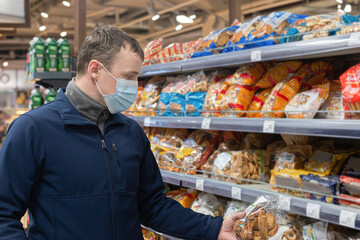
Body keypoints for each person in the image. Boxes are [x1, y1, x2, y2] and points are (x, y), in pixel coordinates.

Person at [0, 26, 244, 240]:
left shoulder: (130, 132)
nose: (134, 87)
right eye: (129, 77)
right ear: (95, 69)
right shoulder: (33, 129)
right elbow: (3, 215)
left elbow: (152, 206)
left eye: (137, 77)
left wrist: (215, 229)